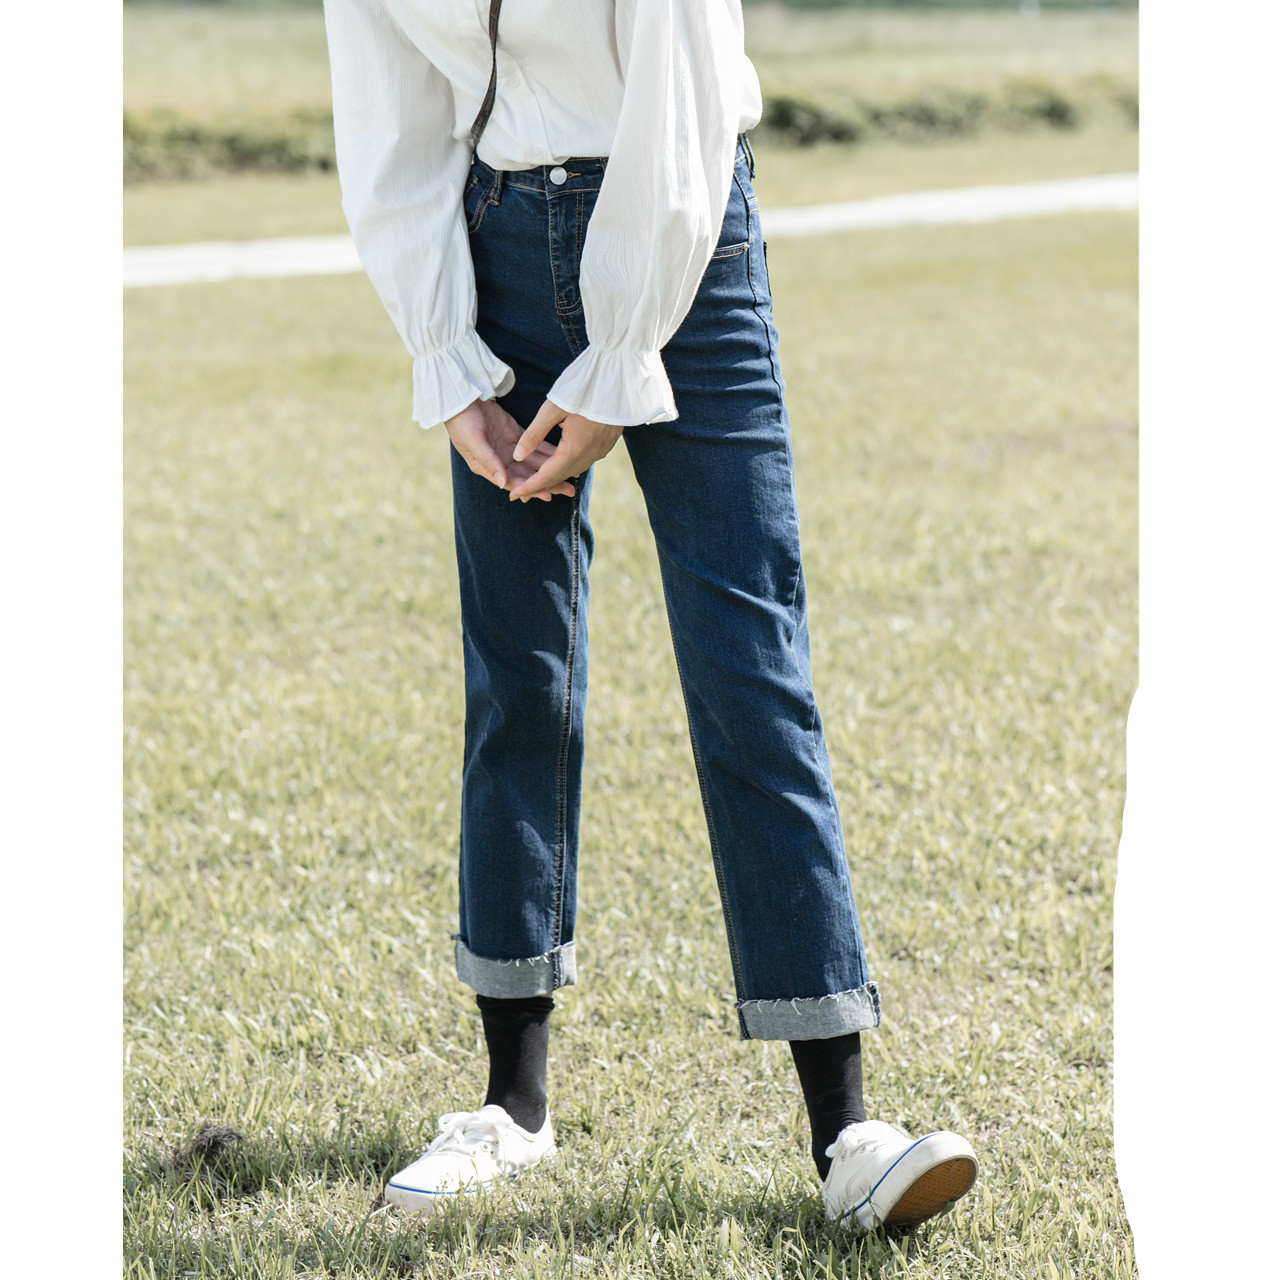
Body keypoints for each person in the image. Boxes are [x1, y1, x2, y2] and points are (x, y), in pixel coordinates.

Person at [322, 0, 978, 1234]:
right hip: (495, 247)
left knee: (747, 668)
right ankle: (510, 1105)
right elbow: (389, 103)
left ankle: (846, 1134)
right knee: (517, 677)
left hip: (686, 233)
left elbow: (678, 93)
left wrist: (623, 352)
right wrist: (444, 355)